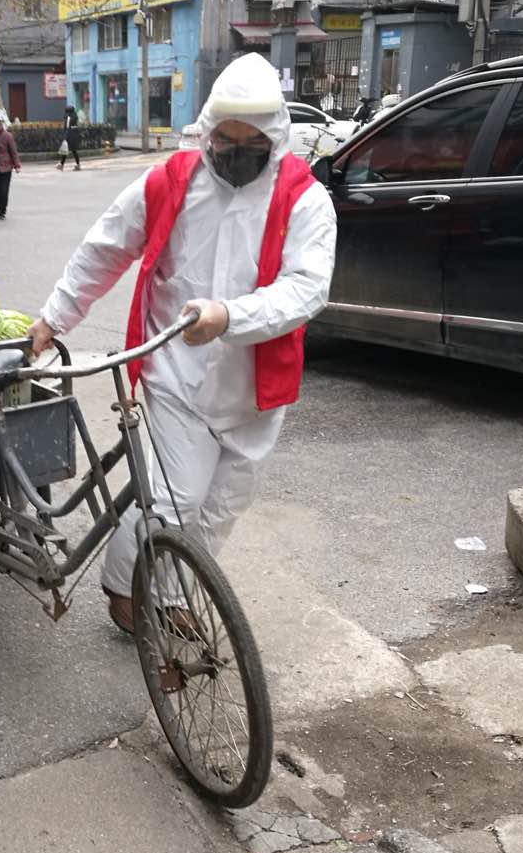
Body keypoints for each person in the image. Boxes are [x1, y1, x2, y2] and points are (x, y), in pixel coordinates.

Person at [28, 53, 336, 634]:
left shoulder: (304, 199)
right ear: (208, 132)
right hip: (175, 372)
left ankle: (167, 594)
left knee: (222, 508)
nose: (237, 152)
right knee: (177, 501)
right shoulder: (170, 182)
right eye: (226, 139)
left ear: (274, 137)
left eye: (252, 141)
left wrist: (229, 316)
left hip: (256, 385)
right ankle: (129, 589)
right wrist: (54, 318)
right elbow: (104, 249)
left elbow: (306, 289)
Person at [58, 105, 82, 172]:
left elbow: (67, 127)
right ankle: (77, 165)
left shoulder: (68, 117)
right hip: (75, 135)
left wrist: (65, 137)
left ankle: (61, 165)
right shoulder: (75, 116)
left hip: (69, 135)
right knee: (73, 150)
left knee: (65, 150)